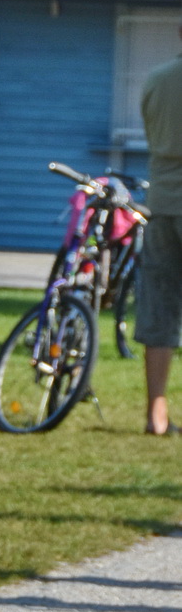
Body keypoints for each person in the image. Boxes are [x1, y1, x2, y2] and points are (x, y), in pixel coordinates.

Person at [137, 30, 182, 435]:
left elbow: (152, 134)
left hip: (164, 202)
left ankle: (156, 412)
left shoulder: (156, 79)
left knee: (160, 308)